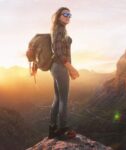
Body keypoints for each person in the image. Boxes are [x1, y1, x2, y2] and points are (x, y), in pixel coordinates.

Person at [48, 7, 79, 139]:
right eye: (65, 14)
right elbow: (58, 51)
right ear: (59, 16)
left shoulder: (60, 29)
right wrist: (70, 67)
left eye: (69, 14)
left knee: (57, 98)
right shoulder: (59, 29)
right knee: (63, 100)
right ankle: (63, 129)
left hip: (57, 67)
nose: (68, 16)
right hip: (60, 67)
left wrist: (69, 67)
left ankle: (52, 129)